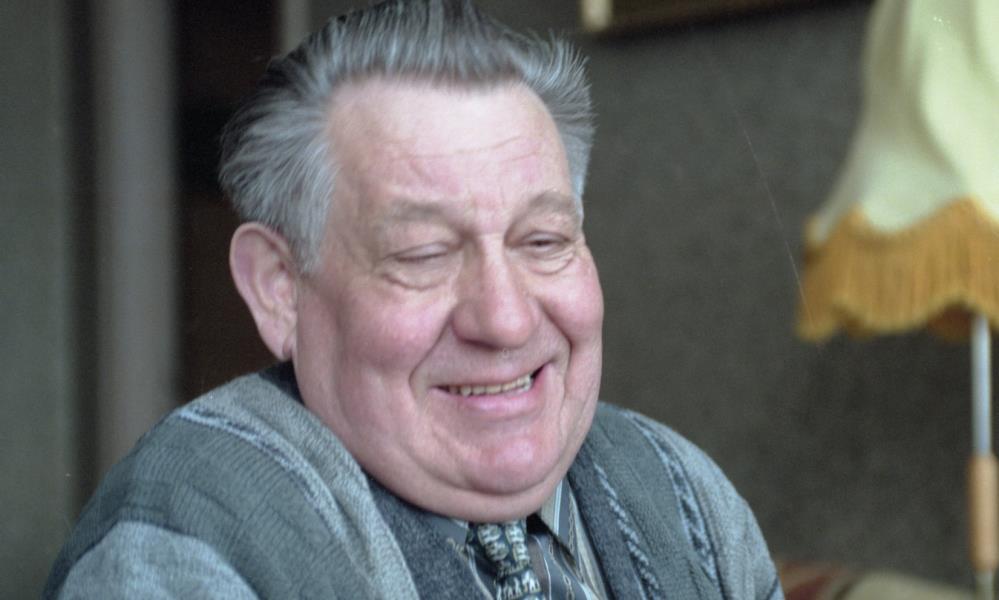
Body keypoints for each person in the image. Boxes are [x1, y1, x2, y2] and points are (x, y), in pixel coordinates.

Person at [45, 1, 782, 598]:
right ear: (279, 289)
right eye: (424, 255)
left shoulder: (682, 490)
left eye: (543, 240)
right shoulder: (190, 542)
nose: (505, 319)